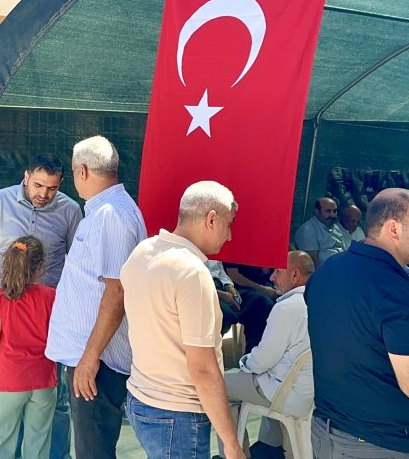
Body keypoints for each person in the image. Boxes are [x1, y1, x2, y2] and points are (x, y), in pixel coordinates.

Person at [307, 188, 409, 457]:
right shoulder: (396, 292)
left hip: (328, 432)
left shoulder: (326, 271)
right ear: (393, 228)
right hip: (381, 445)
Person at [121, 181, 245, 459]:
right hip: (178, 413)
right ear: (211, 219)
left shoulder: (143, 251)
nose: (229, 236)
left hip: (141, 400)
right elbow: (202, 369)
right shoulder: (192, 273)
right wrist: (231, 444)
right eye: (228, 224)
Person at [0, 152, 81, 459]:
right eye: (38, 185)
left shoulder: (70, 210)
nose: (44, 193)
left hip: (50, 319)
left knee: (44, 400)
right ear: (26, 176)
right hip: (4, 309)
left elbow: (77, 263)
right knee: (22, 396)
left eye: (52, 188)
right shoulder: (0, 200)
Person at [46, 135, 146, 459]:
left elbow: (117, 291)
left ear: (83, 171)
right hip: (92, 357)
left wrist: (90, 357)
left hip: (97, 361)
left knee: (93, 451)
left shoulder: (110, 215)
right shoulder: (106, 210)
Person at [225, 251, 314, 458]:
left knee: (218, 387)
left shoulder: (287, 308)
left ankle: (236, 454)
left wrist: (244, 363)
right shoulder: (322, 301)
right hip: (310, 395)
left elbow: (261, 362)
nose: (272, 277)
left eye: (277, 271)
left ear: (295, 275)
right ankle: (269, 446)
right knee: (272, 376)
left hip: (286, 395)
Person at [0, 235, 58, 459]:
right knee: (38, 443)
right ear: (39, 267)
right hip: (44, 379)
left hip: (11, 380)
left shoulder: (0, 298)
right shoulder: (51, 296)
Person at [222, 262, 276, 351]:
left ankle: (259, 351)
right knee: (263, 304)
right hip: (239, 288)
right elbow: (233, 275)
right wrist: (262, 288)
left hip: (266, 284)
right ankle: (253, 352)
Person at [293, 197, 346, 265]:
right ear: (317, 211)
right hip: (326, 269)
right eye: (328, 211)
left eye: (335, 211)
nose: (332, 215)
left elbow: (344, 249)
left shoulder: (335, 227)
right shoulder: (307, 230)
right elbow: (312, 261)